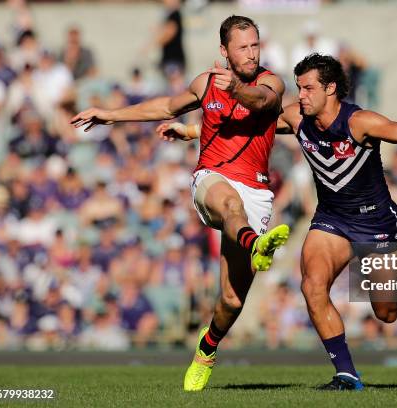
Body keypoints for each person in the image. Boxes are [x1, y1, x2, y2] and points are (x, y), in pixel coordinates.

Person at [165, 54, 397, 390]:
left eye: (308, 88)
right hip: (332, 220)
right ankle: (347, 374)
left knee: (387, 313)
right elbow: (253, 126)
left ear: (331, 88)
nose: (301, 95)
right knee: (312, 285)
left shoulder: (360, 122)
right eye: (298, 88)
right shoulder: (298, 117)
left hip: (376, 223)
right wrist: (193, 130)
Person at [71, 15, 290, 392]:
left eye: (255, 45)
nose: (252, 53)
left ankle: (206, 349)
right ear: (224, 51)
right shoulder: (205, 83)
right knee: (231, 205)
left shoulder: (271, 82)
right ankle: (256, 244)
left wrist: (236, 89)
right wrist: (110, 115)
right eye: (243, 47)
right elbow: (166, 106)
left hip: (256, 190)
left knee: (232, 301)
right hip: (212, 179)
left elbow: (262, 100)